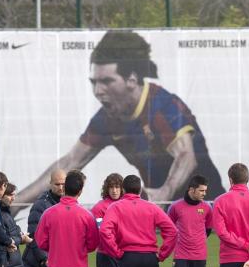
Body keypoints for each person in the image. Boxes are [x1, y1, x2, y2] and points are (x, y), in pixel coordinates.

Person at [14, 30, 225, 210]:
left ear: (131, 80)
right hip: (160, 211)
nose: (98, 91)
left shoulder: (162, 105)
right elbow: (70, 162)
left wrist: (164, 194)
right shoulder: (107, 118)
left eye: (106, 81)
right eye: (93, 82)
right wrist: (16, 203)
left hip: (205, 207)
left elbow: (186, 156)